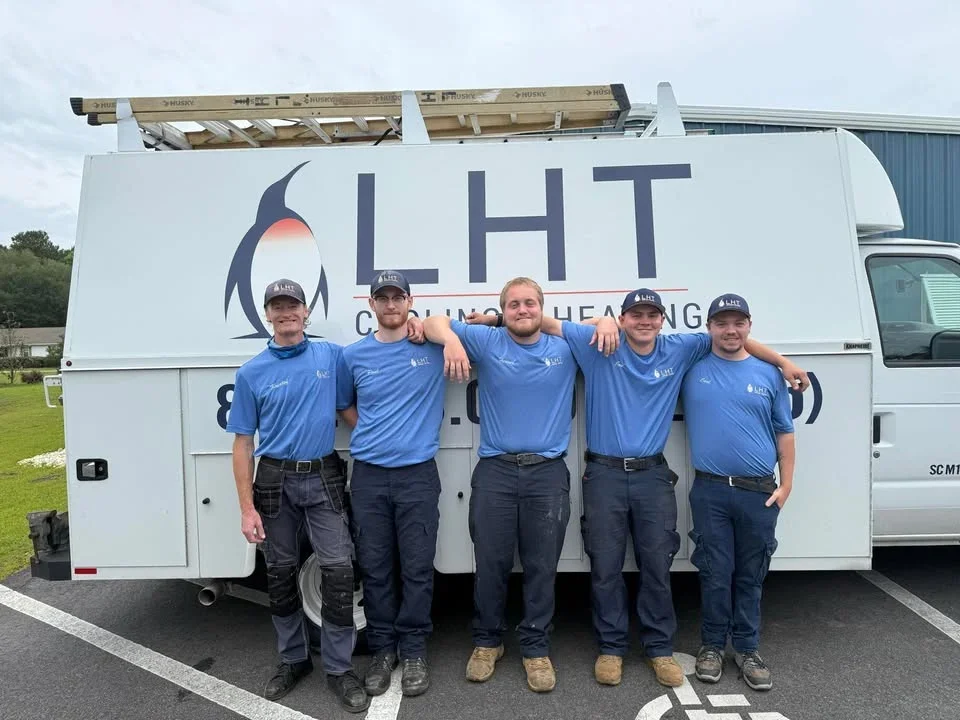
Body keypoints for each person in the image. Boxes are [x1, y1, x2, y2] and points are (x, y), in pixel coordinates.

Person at [466, 288, 806, 689]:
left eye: (651, 315)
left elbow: (730, 337)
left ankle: (659, 649)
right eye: (635, 315)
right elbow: (540, 322)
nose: (644, 322)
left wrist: (782, 362)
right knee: (605, 568)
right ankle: (611, 649)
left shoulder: (680, 349)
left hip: (652, 476)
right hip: (604, 474)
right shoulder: (597, 345)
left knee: (657, 567)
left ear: (662, 321)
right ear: (623, 319)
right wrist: (496, 321)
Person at [421, 277, 578, 694]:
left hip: (547, 471)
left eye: (529, 304)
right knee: (490, 563)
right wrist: (454, 343)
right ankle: (487, 642)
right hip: (496, 470)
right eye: (512, 305)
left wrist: (493, 318)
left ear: (542, 309)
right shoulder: (488, 343)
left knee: (542, 566)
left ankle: (535, 648)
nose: (522, 310)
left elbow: (604, 328)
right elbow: (433, 321)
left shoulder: (565, 347)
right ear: (502, 311)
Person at [226, 278, 369, 713]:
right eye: (277, 306)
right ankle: (293, 660)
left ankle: (340, 669)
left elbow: (349, 413)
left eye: (293, 305)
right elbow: (242, 444)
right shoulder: (251, 372)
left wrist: (380, 438)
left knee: (340, 571)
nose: (286, 312)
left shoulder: (331, 356)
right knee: (281, 575)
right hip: (273, 481)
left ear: (306, 312)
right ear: (267, 315)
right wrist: (246, 507)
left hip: (323, 473)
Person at [341, 270, 452, 698]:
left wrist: (446, 334)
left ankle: (415, 651)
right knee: (376, 567)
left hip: (418, 476)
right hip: (369, 476)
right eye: (382, 298)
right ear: (372, 305)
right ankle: (383, 651)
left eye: (397, 297)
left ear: (409, 301)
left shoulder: (430, 346)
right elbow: (345, 405)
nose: (390, 305)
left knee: (418, 567)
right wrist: (373, 430)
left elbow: (471, 324)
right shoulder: (352, 356)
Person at [680, 294, 795, 692]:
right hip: (710, 489)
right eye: (722, 323)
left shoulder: (767, 374)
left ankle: (747, 649)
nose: (731, 331)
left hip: (759, 493)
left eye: (738, 323)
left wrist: (787, 484)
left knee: (750, 575)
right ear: (709, 327)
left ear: (749, 326)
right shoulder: (692, 364)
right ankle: (712, 646)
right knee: (715, 573)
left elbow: (785, 430)